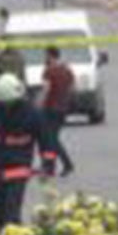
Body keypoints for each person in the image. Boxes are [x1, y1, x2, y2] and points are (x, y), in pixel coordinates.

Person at [0, 73, 41, 229]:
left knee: (11, 213)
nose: (6, 106)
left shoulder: (31, 113)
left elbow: (45, 138)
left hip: (18, 168)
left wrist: (48, 162)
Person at [38, 44, 77, 177]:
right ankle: (51, 167)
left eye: (45, 55)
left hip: (50, 109)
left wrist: (38, 105)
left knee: (51, 139)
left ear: (50, 55)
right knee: (52, 138)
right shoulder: (67, 70)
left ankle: (66, 164)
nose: (45, 57)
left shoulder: (49, 71)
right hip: (63, 108)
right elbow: (73, 88)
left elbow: (45, 90)